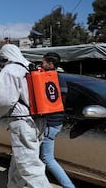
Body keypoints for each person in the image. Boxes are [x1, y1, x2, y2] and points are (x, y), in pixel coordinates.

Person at [0, 44, 52, 188]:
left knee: (29, 167)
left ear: (5, 56)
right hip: (39, 119)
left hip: (23, 121)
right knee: (20, 161)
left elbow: (4, 100)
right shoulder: (31, 67)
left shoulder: (11, 70)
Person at [40, 52, 75, 188]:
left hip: (50, 123)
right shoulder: (60, 79)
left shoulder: (49, 80)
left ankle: (69, 186)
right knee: (39, 158)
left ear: (50, 64)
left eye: (43, 63)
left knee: (47, 158)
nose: (41, 65)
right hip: (56, 122)